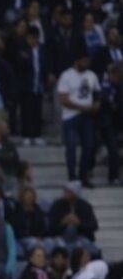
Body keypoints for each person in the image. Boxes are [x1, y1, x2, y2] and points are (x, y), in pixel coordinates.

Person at [57, 46, 100, 187]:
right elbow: (63, 99)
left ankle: (83, 176)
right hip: (71, 116)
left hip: (87, 117)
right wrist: (82, 107)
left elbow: (97, 92)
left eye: (88, 61)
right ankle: (72, 177)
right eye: (84, 61)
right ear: (77, 61)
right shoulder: (66, 75)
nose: (86, 63)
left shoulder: (92, 75)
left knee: (88, 146)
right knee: (71, 148)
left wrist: (96, 104)